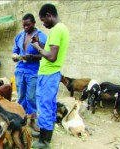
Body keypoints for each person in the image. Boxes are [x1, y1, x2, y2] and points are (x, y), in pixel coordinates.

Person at [30, 4, 70, 149]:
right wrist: (39, 43)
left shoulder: (56, 30)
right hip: (52, 74)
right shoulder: (62, 29)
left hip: (48, 74)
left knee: (44, 105)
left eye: (43, 20)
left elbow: (51, 56)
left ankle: (44, 141)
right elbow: (50, 50)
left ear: (49, 15)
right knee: (50, 105)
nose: (43, 23)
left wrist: (37, 48)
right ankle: (46, 133)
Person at [12, 13, 47, 133]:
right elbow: (15, 50)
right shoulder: (19, 36)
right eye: (24, 25)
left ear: (33, 23)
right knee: (21, 96)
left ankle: (32, 121)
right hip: (20, 70)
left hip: (33, 71)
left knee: (31, 97)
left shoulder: (41, 36)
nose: (25, 27)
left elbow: (45, 54)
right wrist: (15, 56)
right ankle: (21, 120)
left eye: (28, 25)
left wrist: (32, 56)